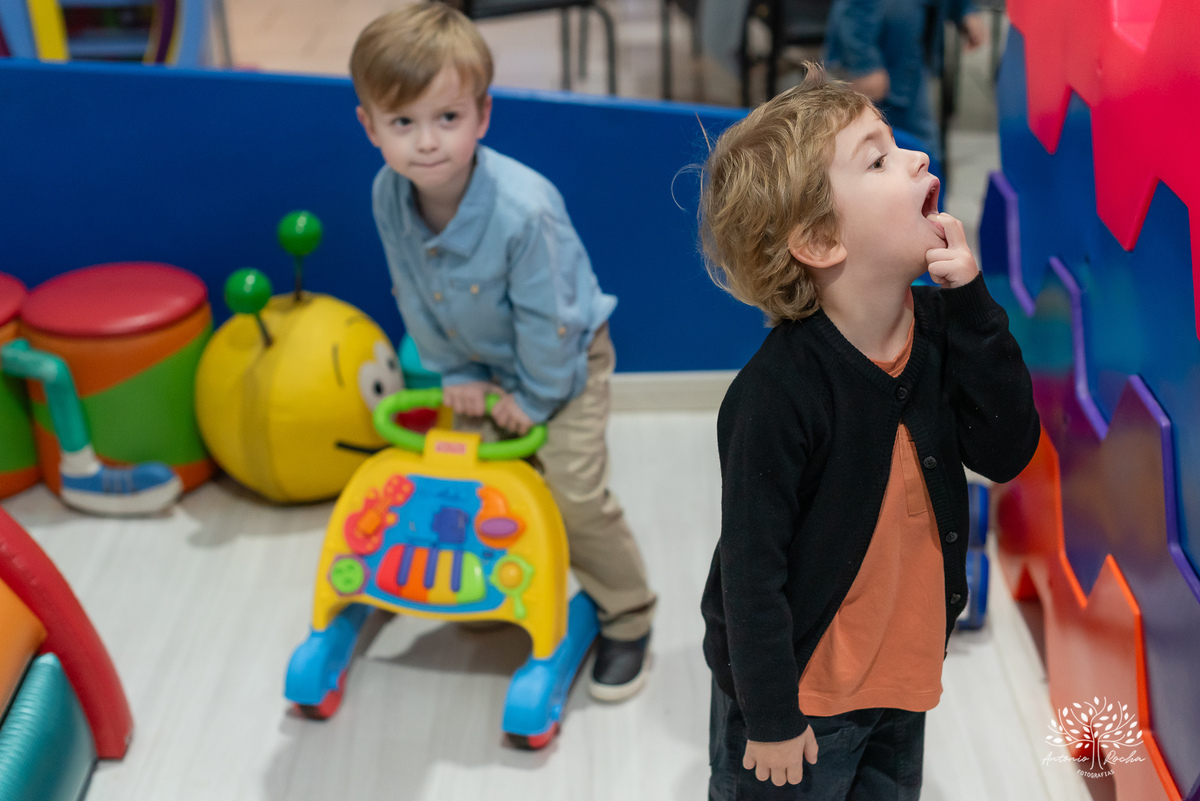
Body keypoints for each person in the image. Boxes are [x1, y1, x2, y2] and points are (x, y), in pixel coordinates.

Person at [698, 65, 1039, 799]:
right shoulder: (774, 396)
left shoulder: (944, 330)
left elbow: (1009, 451)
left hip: (901, 680)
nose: (918, 157)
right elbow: (751, 576)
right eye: (878, 157)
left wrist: (975, 306)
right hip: (799, 701)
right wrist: (771, 718)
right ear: (821, 239)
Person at [350, 2, 656, 700]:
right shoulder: (386, 196)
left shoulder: (525, 210)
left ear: (482, 116)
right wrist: (456, 373)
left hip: (565, 364)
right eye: (403, 123)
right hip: (479, 363)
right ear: (370, 126)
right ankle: (495, 573)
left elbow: (552, 323)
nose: (427, 143)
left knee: (573, 492)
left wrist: (535, 400)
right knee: (468, 479)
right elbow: (412, 291)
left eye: (447, 119)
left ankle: (627, 613)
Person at [824, 0, 985, 158]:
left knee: (915, 149)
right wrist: (864, 63)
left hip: (910, 57)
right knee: (859, 149)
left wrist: (964, 8)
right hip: (881, 62)